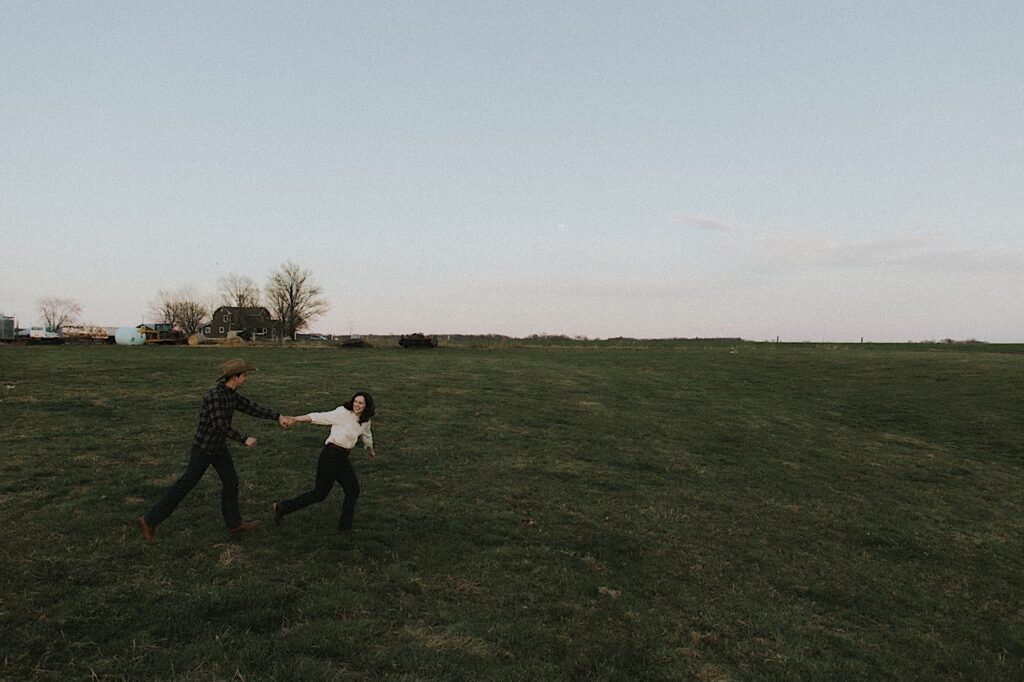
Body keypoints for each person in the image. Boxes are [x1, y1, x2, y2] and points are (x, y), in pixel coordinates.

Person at [137, 359, 294, 543]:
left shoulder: (231, 394)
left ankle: (234, 525)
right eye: (244, 375)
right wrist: (244, 439)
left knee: (231, 482)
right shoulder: (214, 396)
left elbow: (251, 408)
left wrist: (278, 417)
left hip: (219, 448)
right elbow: (220, 425)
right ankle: (148, 521)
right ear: (234, 377)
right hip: (204, 449)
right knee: (185, 485)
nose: (246, 378)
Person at [272, 392, 377, 533]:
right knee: (320, 494)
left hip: (342, 458)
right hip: (330, 456)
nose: (357, 405)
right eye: (356, 402)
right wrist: (295, 419)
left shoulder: (365, 420)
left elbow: (367, 434)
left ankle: (345, 528)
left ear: (367, 406)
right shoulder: (343, 413)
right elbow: (319, 416)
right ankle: (282, 507)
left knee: (353, 490)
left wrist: (369, 448)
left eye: (361, 403)